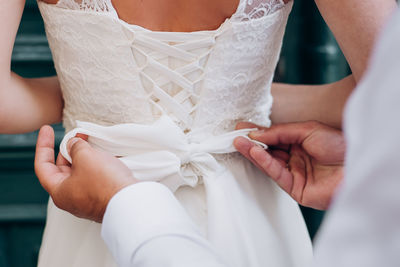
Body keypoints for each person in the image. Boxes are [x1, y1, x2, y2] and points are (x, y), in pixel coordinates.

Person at [1, 0, 397, 266]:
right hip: (249, 195)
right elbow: (387, 90)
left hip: (96, 191)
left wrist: (88, 93)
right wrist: (238, 102)